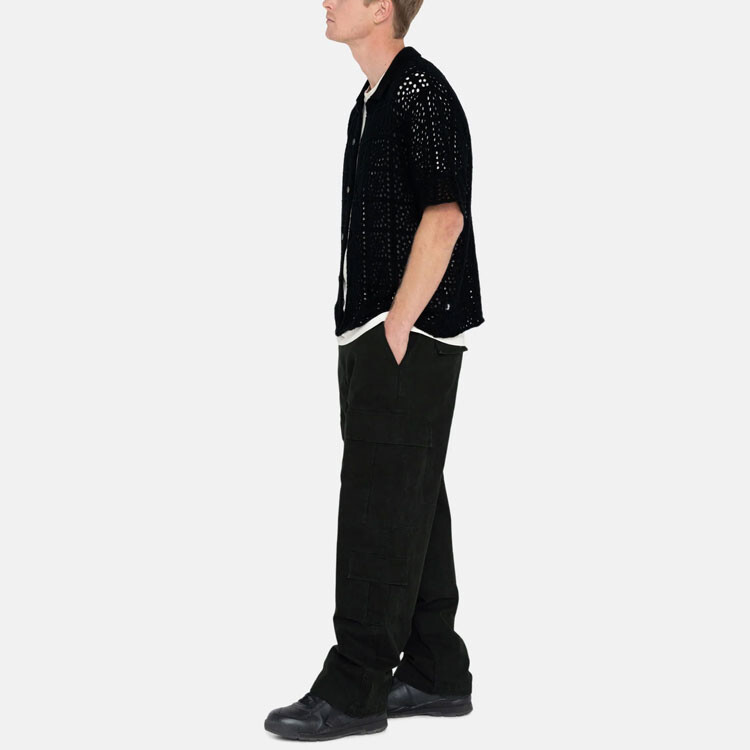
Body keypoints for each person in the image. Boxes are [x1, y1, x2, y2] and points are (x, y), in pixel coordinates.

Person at [265, 0, 485, 740]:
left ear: (382, 8)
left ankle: (355, 686)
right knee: (410, 493)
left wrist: (397, 323)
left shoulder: (420, 91)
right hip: (375, 332)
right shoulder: (371, 100)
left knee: (376, 504)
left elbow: (445, 216)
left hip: (407, 331)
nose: (326, 1)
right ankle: (435, 669)